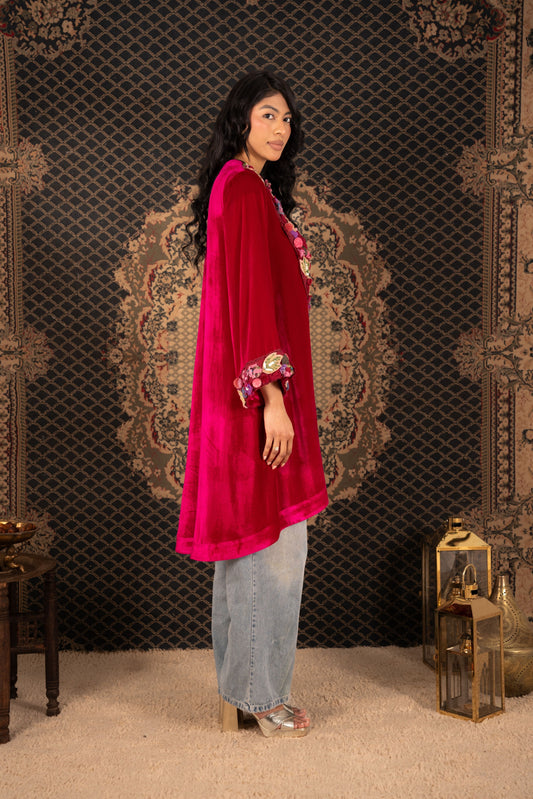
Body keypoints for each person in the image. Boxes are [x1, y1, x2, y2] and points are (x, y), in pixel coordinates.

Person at [175, 69, 328, 738]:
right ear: (240, 119)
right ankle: (262, 697)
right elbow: (250, 298)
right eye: (268, 114)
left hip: (244, 391)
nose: (280, 127)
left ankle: (246, 689)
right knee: (273, 548)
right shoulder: (240, 188)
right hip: (255, 395)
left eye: (286, 118)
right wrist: (271, 398)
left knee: (253, 547)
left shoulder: (245, 187)